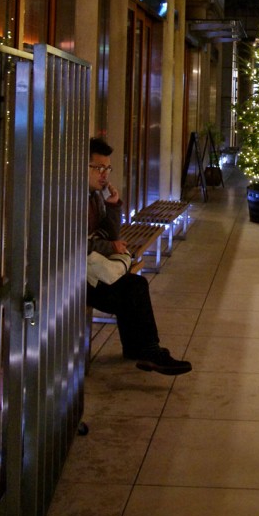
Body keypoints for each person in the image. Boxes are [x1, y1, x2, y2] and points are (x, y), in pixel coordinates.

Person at [87, 137, 192, 376]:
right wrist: (108, 246)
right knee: (133, 288)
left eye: (107, 169)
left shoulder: (94, 196)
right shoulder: (71, 199)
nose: (104, 174)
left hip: (91, 271)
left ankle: (143, 349)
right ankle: (148, 350)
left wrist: (113, 206)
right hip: (74, 278)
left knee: (134, 284)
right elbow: (76, 243)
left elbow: (108, 233)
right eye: (98, 168)